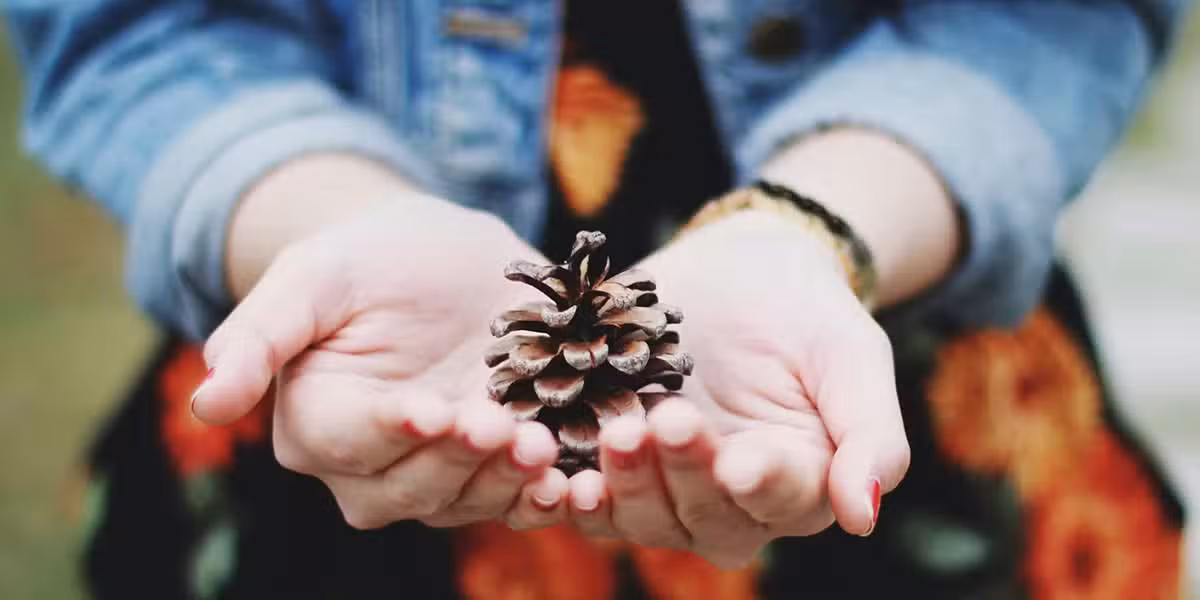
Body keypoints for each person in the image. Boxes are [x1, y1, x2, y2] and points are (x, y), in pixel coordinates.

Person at [2, 0, 1189, 598]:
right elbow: (132, 26)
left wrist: (816, 227)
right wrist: (330, 220)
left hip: (885, 357)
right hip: (353, 384)